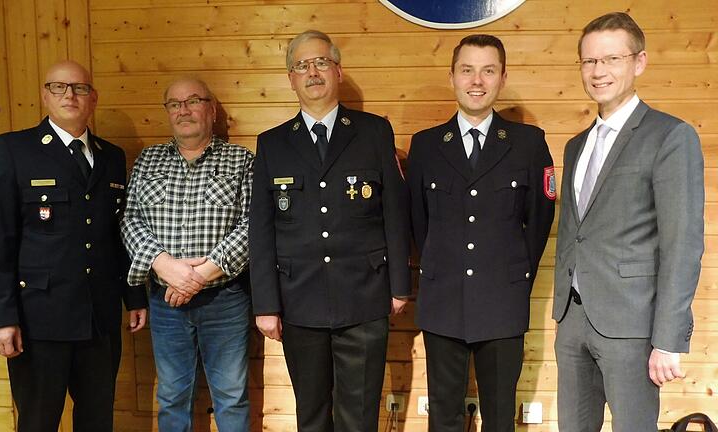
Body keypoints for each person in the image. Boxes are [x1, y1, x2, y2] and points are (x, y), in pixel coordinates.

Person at [0, 60, 148, 431]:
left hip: (98, 318)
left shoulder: (111, 157)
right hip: (39, 320)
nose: (70, 95)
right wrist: (1, 318)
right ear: (44, 95)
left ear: (93, 99)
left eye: (80, 88)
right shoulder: (13, 150)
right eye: (59, 87)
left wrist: (133, 297)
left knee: (97, 420)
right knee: (38, 421)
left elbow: (117, 235)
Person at [249, 30, 411, 432]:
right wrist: (265, 305)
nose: (313, 72)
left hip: (365, 297)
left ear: (338, 71)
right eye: (302, 65)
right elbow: (262, 229)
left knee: (359, 418)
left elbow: (395, 211)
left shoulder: (373, 132)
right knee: (312, 416)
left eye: (321, 62)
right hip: (299, 301)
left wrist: (400, 286)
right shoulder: (272, 144)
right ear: (291, 79)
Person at [553, 12, 704, 431]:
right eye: (589, 61)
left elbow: (684, 242)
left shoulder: (670, 136)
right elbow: (576, 234)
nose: (599, 71)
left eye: (611, 59)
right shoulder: (575, 146)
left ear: (639, 62)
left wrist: (669, 339)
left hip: (633, 325)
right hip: (573, 320)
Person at [407, 35, 555, 432]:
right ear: (452, 77)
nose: (477, 80)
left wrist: (514, 274)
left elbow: (539, 220)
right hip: (443, 301)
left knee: (500, 415)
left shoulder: (528, 143)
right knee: (444, 415)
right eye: (467, 70)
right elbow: (419, 223)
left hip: (502, 302)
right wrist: (442, 265)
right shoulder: (425, 145)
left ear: (502, 78)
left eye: (488, 70)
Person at [121, 77, 253, 432]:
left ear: (211, 110)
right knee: (172, 397)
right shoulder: (148, 160)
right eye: (174, 104)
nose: (183, 110)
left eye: (193, 101)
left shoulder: (240, 160)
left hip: (225, 300)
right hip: (165, 303)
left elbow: (252, 226)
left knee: (232, 396)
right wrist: (165, 266)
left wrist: (198, 275)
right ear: (167, 112)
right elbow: (130, 220)